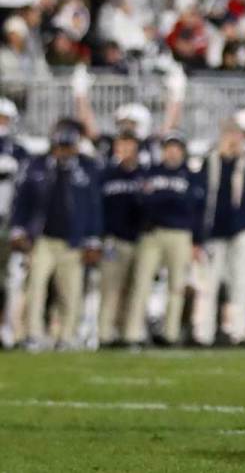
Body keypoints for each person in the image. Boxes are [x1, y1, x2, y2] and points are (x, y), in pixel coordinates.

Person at [10, 119, 103, 351]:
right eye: (60, 146)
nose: (63, 151)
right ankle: (32, 334)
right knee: (35, 288)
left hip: (73, 241)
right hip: (43, 239)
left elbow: (94, 206)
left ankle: (67, 336)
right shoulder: (37, 165)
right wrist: (19, 229)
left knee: (70, 292)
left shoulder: (88, 167)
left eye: (67, 146)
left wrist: (93, 239)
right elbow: (23, 200)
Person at [192, 122, 245, 346]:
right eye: (228, 135)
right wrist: (197, 237)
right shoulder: (211, 163)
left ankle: (240, 332)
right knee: (209, 285)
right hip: (214, 233)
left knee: (242, 284)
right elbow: (199, 201)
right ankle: (203, 334)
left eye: (235, 136)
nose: (232, 141)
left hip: (241, 233)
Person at [124, 132, 199, 347]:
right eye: (169, 147)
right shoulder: (151, 172)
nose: (172, 152)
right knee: (141, 283)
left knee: (177, 287)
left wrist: (161, 199)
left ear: (182, 151)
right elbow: (142, 202)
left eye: (176, 148)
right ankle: (133, 334)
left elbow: (192, 206)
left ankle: (170, 334)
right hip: (152, 233)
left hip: (180, 234)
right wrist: (168, 201)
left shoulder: (191, 175)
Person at [96, 131, 142, 347]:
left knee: (135, 290)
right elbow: (97, 209)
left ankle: (129, 335)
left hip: (140, 241)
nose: (125, 152)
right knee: (110, 290)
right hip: (114, 239)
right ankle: (105, 335)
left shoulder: (144, 176)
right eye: (121, 148)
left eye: (129, 148)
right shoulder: (106, 175)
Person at [0, 98, 29, 349]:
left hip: (9, 224)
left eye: (4, 119)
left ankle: (9, 332)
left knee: (13, 280)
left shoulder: (20, 151)